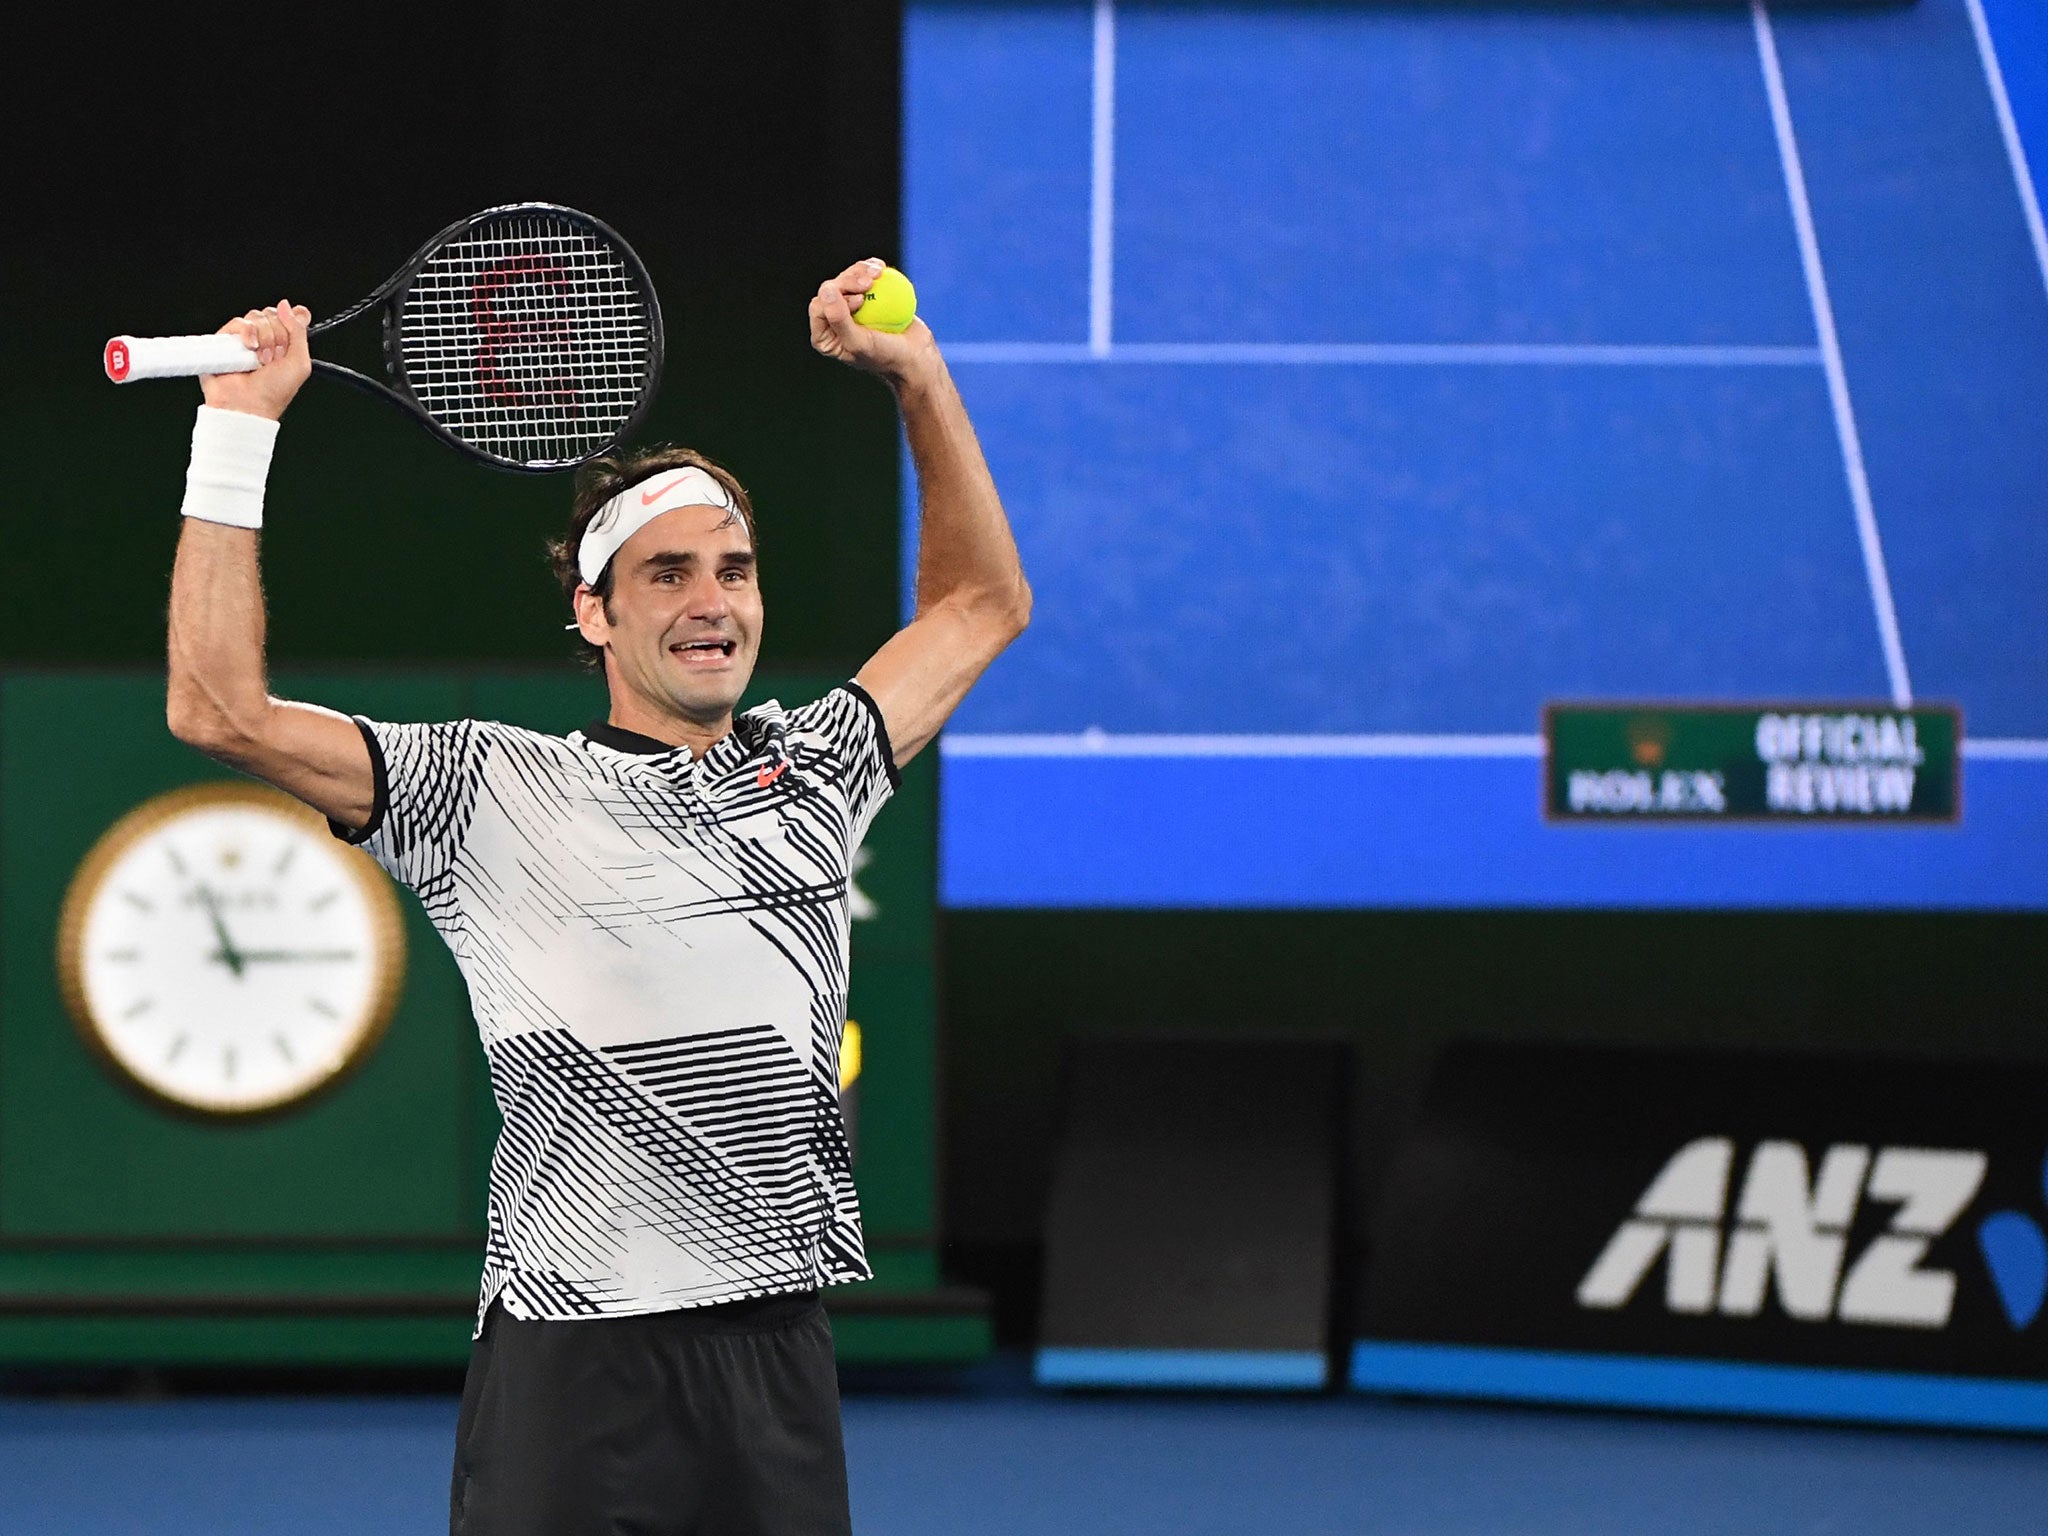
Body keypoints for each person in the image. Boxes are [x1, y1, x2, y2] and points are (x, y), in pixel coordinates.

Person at [164, 258, 1030, 1535]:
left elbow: (979, 602)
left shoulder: (820, 767)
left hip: (777, 1351)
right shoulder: (480, 786)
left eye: (732, 571)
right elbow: (217, 708)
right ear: (593, 614)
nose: (711, 603)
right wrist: (235, 437)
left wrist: (919, 375)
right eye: (669, 575)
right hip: (575, 1364)